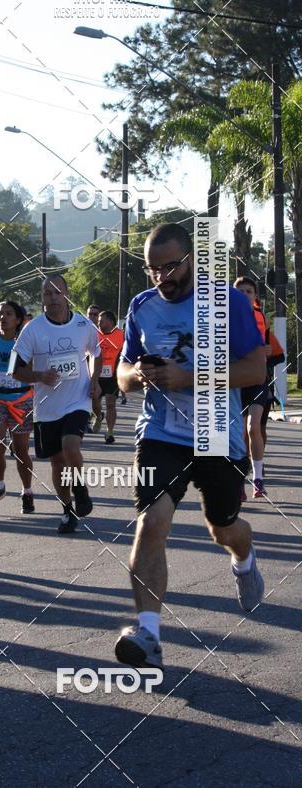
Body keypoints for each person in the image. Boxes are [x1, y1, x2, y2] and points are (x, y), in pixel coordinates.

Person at [115, 223, 266, 671]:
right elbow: (121, 373)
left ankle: (244, 558)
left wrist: (188, 378)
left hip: (218, 432)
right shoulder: (141, 307)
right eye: (152, 268)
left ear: (192, 261)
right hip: (161, 432)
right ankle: (148, 633)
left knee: (222, 527)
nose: (161, 277)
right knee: (152, 521)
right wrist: (137, 375)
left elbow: (255, 369)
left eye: (169, 266)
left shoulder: (228, 303)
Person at [13, 275, 101, 533]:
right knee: (57, 463)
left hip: (78, 400)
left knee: (70, 445)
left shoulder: (84, 325)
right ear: (42, 298)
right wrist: (38, 376)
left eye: (57, 293)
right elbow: (14, 370)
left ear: (66, 294)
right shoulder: (32, 329)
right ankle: (67, 509)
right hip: (47, 406)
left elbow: (96, 353)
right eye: (47, 294)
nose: (52, 298)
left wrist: (94, 380)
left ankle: (81, 489)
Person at [0, 301, 34, 513]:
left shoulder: (26, 342)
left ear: (18, 319)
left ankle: (27, 491)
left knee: (21, 450)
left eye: (8, 314)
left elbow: (31, 369)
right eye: (0, 313)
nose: (3, 317)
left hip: (21, 400)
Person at [233, 277, 271, 499]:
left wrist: (267, 351)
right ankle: (238, 480)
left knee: (253, 427)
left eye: (249, 291)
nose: (245, 294)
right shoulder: (222, 317)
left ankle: (258, 479)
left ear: (255, 296)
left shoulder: (261, 317)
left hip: (257, 377)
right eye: (240, 291)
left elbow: (273, 350)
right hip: (236, 379)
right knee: (238, 433)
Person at [92, 310, 124, 443]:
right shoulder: (94, 334)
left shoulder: (121, 335)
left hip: (112, 375)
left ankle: (109, 432)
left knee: (111, 404)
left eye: (102, 321)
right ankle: (98, 416)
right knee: (95, 402)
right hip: (96, 374)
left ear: (110, 322)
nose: (99, 323)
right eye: (98, 321)